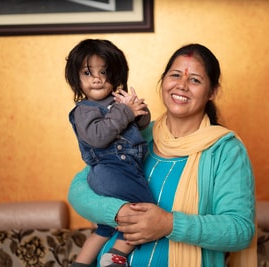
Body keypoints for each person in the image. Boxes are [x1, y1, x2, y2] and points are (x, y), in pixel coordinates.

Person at [68, 43, 256, 267]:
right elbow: (78, 190)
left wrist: (169, 224)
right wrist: (118, 212)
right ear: (163, 80)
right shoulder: (136, 134)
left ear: (212, 91)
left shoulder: (224, 150)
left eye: (195, 80)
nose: (182, 85)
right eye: (175, 75)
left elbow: (240, 230)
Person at [65, 39, 155, 267]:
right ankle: (115, 257)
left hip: (119, 173)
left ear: (116, 75)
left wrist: (136, 108)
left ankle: (82, 262)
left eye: (104, 71)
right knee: (145, 212)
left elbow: (142, 126)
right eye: (88, 72)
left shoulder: (117, 102)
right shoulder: (83, 110)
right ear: (77, 79)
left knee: (104, 228)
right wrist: (124, 111)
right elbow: (98, 136)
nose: (97, 78)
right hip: (112, 172)